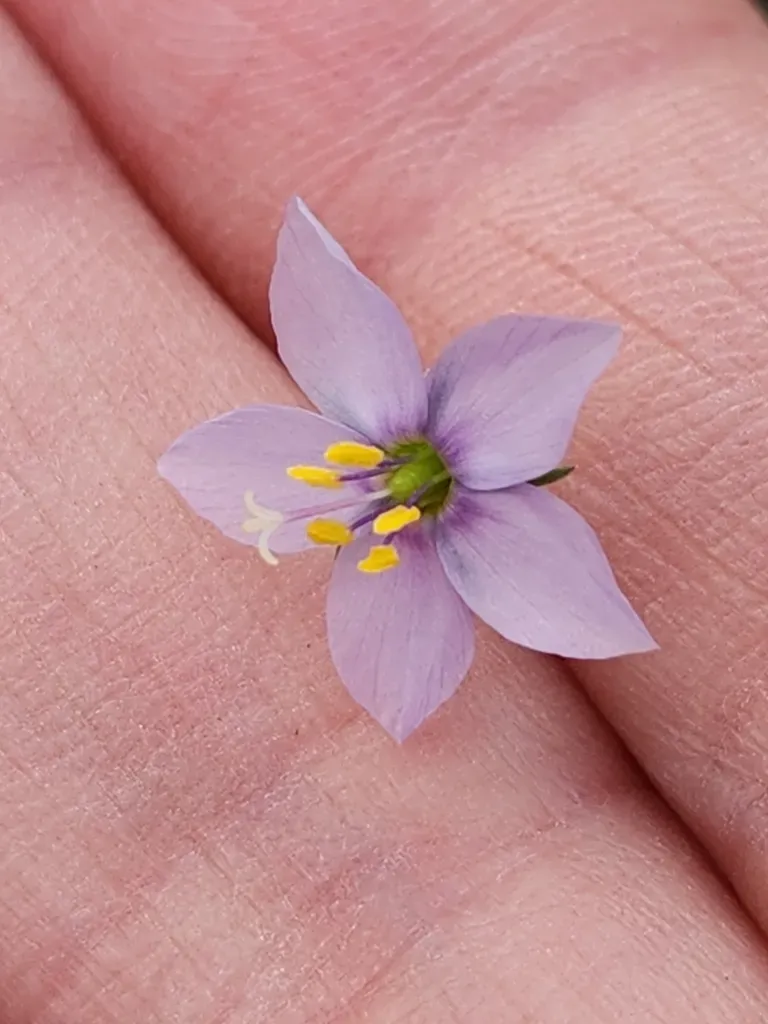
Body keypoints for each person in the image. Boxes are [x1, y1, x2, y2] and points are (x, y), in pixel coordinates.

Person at [1, 0, 767, 1019]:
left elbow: (565, 582)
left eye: (412, 486)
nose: (400, 491)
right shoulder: (372, 488)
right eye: (403, 482)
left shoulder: (488, 443)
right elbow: (244, 468)